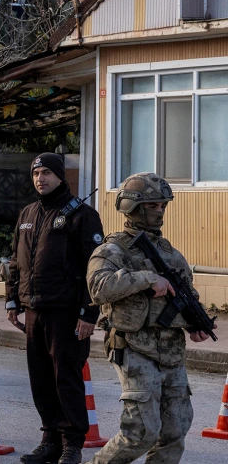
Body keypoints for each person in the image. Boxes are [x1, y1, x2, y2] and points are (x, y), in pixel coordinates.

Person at [86, 172, 214, 464]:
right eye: (153, 205)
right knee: (141, 432)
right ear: (132, 207)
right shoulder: (112, 249)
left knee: (175, 431)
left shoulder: (170, 253)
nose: (159, 211)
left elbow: (186, 293)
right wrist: (146, 278)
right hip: (134, 346)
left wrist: (195, 322)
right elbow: (98, 287)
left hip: (171, 350)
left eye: (162, 206)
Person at [5, 153, 103, 464]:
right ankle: (50, 440)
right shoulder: (28, 213)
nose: (40, 179)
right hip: (34, 310)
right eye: (36, 173)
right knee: (41, 379)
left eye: (47, 172)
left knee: (66, 378)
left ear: (60, 176)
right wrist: (12, 300)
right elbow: (15, 261)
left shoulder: (82, 215)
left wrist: (89, 313)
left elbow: (94, 268)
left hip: (67, 313)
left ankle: (72, 444)